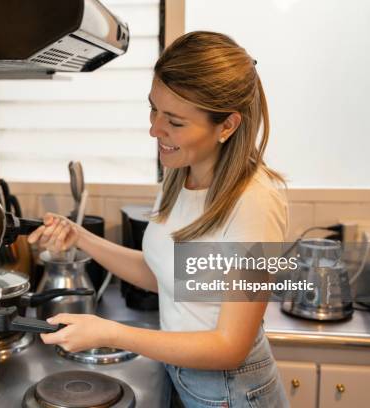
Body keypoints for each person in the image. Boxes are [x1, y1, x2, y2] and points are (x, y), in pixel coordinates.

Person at [27, 31, 289, 408]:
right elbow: (162, 274)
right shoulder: (181, 173)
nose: (155, 129)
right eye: (153, 109)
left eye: (175, 122)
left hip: (233, 393)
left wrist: (113, 333)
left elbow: (229, 347)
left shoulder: (255, 202)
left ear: (227, 126)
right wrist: (80, 237)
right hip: (185, 378)